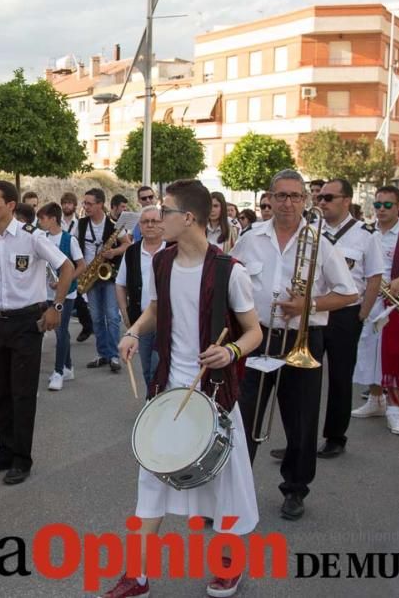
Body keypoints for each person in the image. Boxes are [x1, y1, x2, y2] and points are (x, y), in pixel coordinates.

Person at [104, 179, 263, 598]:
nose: (155, 217)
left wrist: (230, 351)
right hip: (170, 388)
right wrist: (134, 332)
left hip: (215, 394)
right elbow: (156, 310)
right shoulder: (161, 263)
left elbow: (253, 332)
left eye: (165, 210)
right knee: (152, 478)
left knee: (224, 483)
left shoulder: (230, 271)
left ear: (188, 218)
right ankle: (136, 575)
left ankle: (229, 565)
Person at [231, 169, 356, 521]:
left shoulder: (320, 242)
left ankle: (295, 489)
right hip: (257, 337)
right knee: (243, 419)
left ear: (305, 200)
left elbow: (349, 293)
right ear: (269, 198)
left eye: (295, 196)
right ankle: (234, 493)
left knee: (300, 422)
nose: (288, 203)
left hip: (302, 341)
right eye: (281, 195)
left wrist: (309, 305)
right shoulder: (250, 238)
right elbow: (232, 280)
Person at [0, 180, 74, 485]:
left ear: (10, 206)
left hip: (26, 323)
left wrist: (55, 307)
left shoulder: (33, 238)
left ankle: (22, 458)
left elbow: (67, 267)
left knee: (22, 393)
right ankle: (4, 451)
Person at [351, 186, 399, 436]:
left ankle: (395, 409)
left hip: (395, 303)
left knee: (395, 354)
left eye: (387, 205)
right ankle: (376, 401)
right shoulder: (366, 233)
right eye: (378, 205)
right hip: (369, 301)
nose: (382, 210)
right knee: (371, 353)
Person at [313, 179, 383, 459]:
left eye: (328, 198)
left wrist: (362, 314)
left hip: (345, 314)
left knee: (340, 378)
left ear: (346, 200)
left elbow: (374, 277)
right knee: (305, 378)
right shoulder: (311, 229)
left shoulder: (366, 235)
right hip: (315, 310)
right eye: (319, 197)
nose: (322, 202)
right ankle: (301, 438)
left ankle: (335, 436)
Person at [78, 188, 131, 372]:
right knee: (97, 318)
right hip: (91, 274)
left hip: (109, 274)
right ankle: (102, 354)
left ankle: (114, 355)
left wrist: (113, 252)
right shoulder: (82, 223)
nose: (86, 207)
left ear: (100, 204)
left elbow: (127, 244)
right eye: (85, 203)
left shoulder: (113, 224)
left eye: (90, 204)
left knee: (112, 316)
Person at [37, 202, 85, 392]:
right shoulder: (43, 238)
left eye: (42, 219)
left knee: (60, 330)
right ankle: (68, 367)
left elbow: (81, 265)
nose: (40, 222)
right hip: (47, 292)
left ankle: (58, 372)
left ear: (53, 219)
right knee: (59, 330)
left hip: (66, 292)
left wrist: (66, 279)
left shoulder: (69, 239)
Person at [115, 205, 165, 389]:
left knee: (158, 367)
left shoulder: (174, 250)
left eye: (155, 221)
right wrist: (125, 313)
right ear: (140, 226)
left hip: (167, 321)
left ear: (163, 224)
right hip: (141, 321)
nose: (150, 225)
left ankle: (155, 404)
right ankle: (152, 401)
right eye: (145, 222)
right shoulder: (131, 252)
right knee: (146, 369)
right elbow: (120, 284)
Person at [62, 191, 94, 342]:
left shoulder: (80, 224)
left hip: (75, 262)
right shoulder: (58, 222)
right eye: (64, 203)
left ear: (75, 206)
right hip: (60, 261)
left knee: (77, 295)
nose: (66, 206)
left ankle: (86, 325)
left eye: (69, 203)